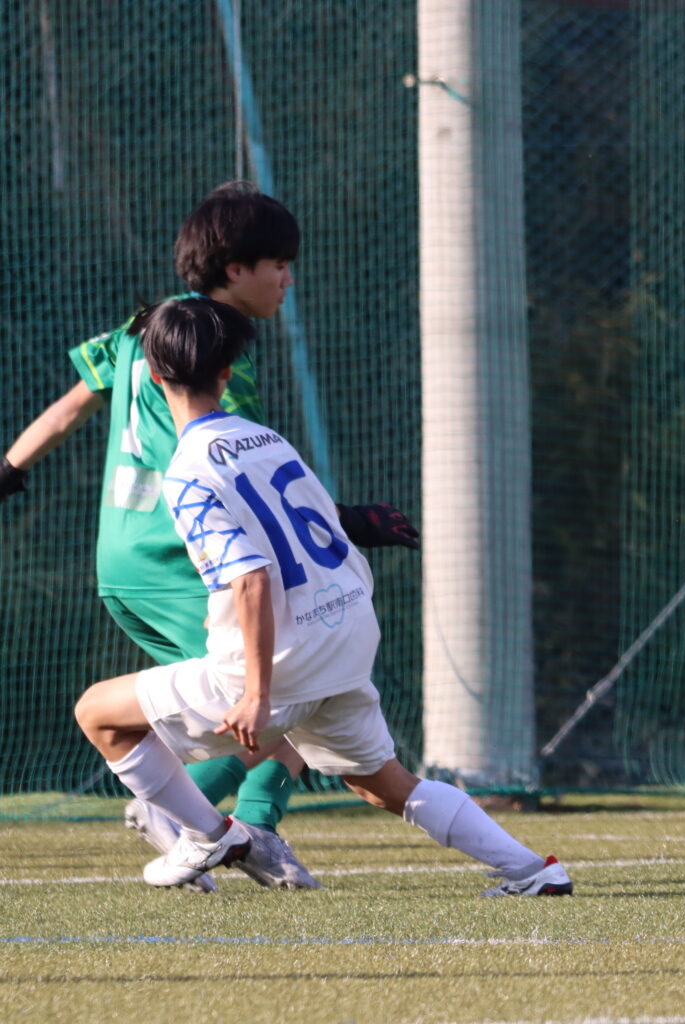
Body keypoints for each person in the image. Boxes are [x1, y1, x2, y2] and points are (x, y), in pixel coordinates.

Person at [72, 297, 571, 897]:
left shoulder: (186, 473)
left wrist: (256, 695)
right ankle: (533, 870)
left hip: (281, 661)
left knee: (98, 714)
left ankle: (209, 834)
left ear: (154, 377)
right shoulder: (265, 438)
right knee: (382, 783)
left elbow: (251, 578)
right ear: (227, 372)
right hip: (343, 631)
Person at [0, 182, 417, 891]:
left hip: (120, 560)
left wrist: (7, 471)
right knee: (295, 686)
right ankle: (228, 824)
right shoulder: (221, 354)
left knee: (264, 694)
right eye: (278, 264)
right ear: (234, 270)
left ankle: (213, 819)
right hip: (184, 556)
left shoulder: (143, 327)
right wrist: (344, 521)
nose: (287, 279)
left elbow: (69, 409)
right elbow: (245, 474)